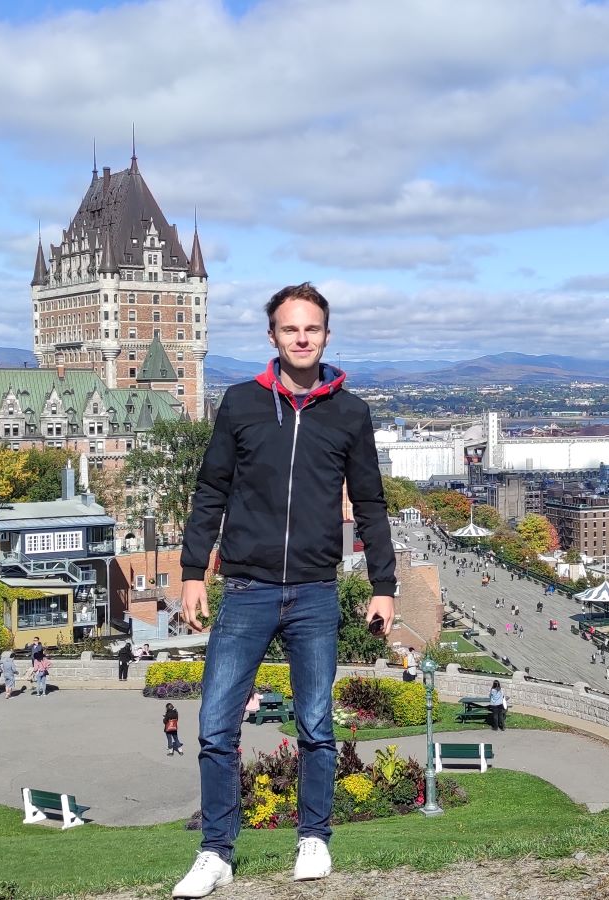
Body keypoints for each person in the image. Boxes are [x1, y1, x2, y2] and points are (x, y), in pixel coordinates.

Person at [172, 283, 398, 896]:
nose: (302, 338)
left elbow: (371, 503)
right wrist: (194, 573)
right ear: (272, 336)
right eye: (290, 329)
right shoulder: (242, 404)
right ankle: (216, 852)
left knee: (317, 724)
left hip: (315, 591)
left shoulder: (350, 413)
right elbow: (210, 491)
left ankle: (314, 839)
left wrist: (384, 584)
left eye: (313, 329)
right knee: (216, 725)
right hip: (245, 588)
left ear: (326, 336)